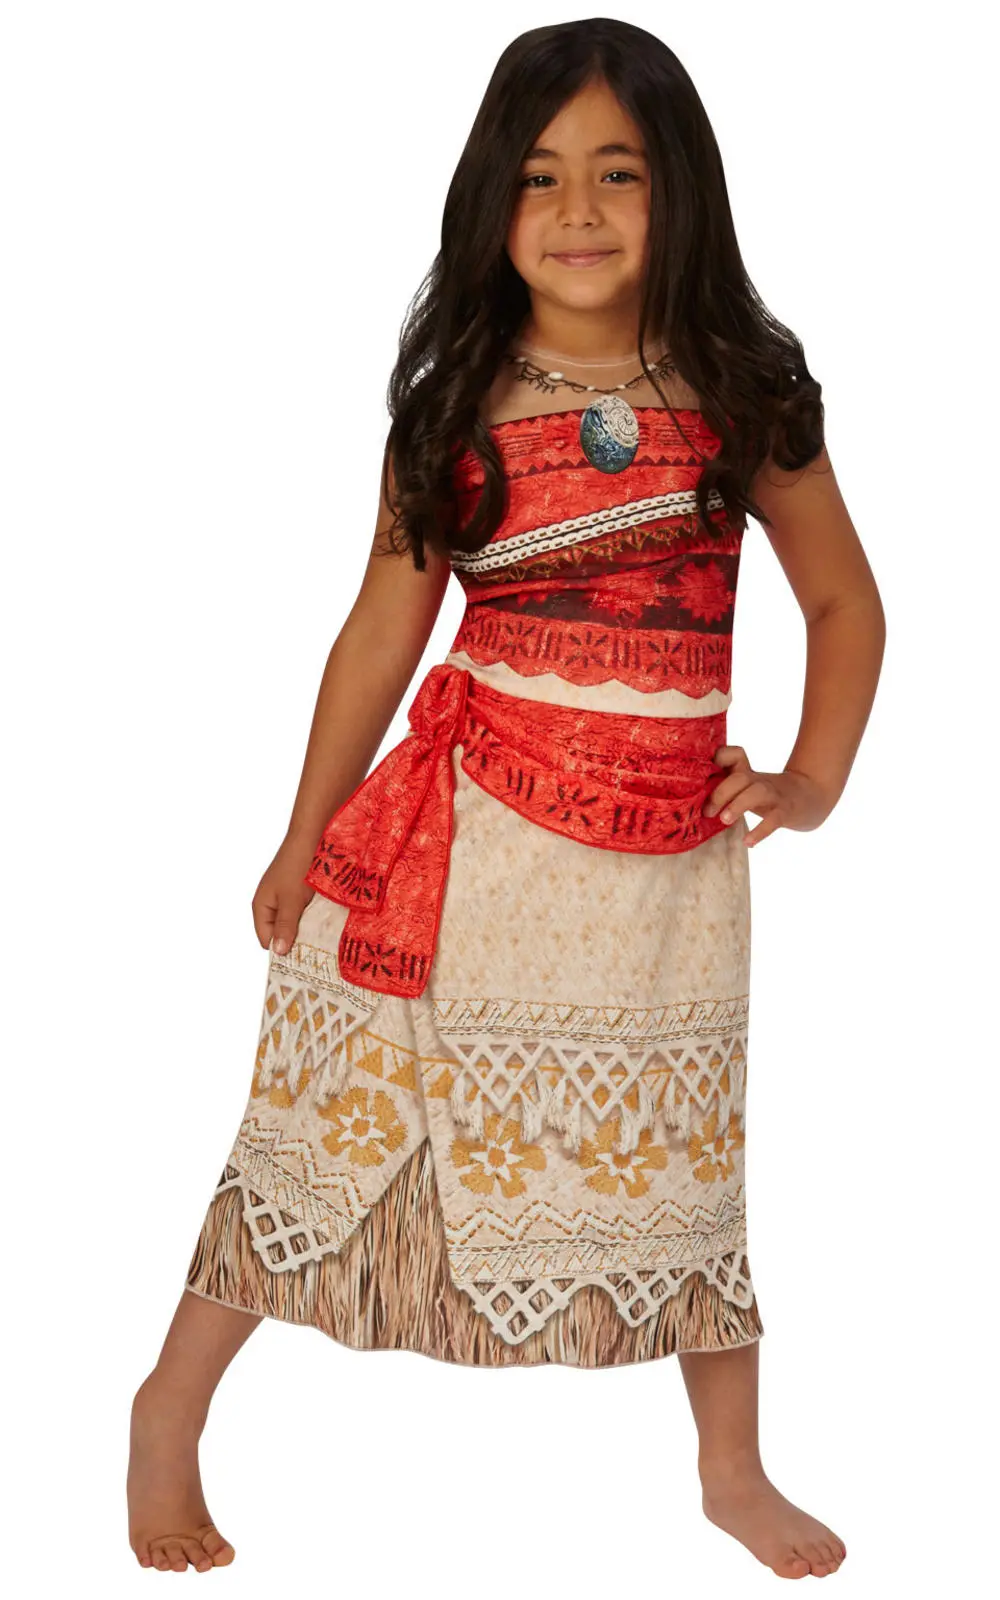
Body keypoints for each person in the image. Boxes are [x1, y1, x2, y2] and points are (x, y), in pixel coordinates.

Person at [127, 18, 884, 1581]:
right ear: (492, 200)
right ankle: (166, 1409)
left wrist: (814, 777)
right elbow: (380, 632)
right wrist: (301, 831)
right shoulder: (458, 401)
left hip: (662, 874)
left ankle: (732, 1470)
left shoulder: (746, 396)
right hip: (460, 847)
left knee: (685, 1148)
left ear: (684, 192)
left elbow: (843, 602)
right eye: (540, 178)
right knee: (320, 1127)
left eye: (620, 173)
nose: (579, 210)